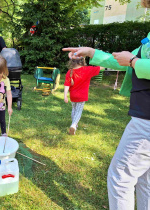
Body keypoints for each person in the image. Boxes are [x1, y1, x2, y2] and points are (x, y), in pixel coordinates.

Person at [63, 0, 150, 207]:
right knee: (145, 180)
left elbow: (131, 60)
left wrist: (133, 61)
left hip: (146, 121)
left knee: (120, 177)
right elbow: (119, 59)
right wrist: (92, 52)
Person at [64, 57, 102, 135]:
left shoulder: (70, 71)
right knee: (78, 111)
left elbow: (66, 85)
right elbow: (101, 68)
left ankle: (75, 124)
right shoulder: (88, 70)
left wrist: (65, 96)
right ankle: (74, 125)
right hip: (82, 96)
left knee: (74, 109)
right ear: (82, 61)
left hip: (73, 95)